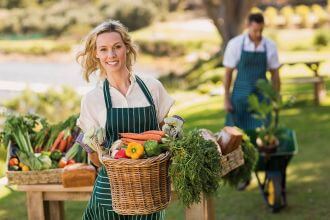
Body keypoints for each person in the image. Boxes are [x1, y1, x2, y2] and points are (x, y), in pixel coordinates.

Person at [76, 20, 174, 220]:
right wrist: (101, 152)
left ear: (126, 48)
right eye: (103, 49)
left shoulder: (152, 88)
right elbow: (93, 157)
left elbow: (165, 138)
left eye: (116, 47)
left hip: (149, 193)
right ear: (96, 54)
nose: (111, 55)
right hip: (109, 193)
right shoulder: (92, 99)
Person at [223, 13, 281, 189]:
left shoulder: (269, 46)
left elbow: (275, 74)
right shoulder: (235, 44)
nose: (257, 34)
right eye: (255, 30)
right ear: (248, 25)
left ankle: (266, 168)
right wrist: (226, 97)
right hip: (239, 98)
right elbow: (227, 73)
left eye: (261, 30)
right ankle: (243, 175)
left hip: (261, 98)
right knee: (238, 139)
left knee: (264, 135)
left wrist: (275, 97)